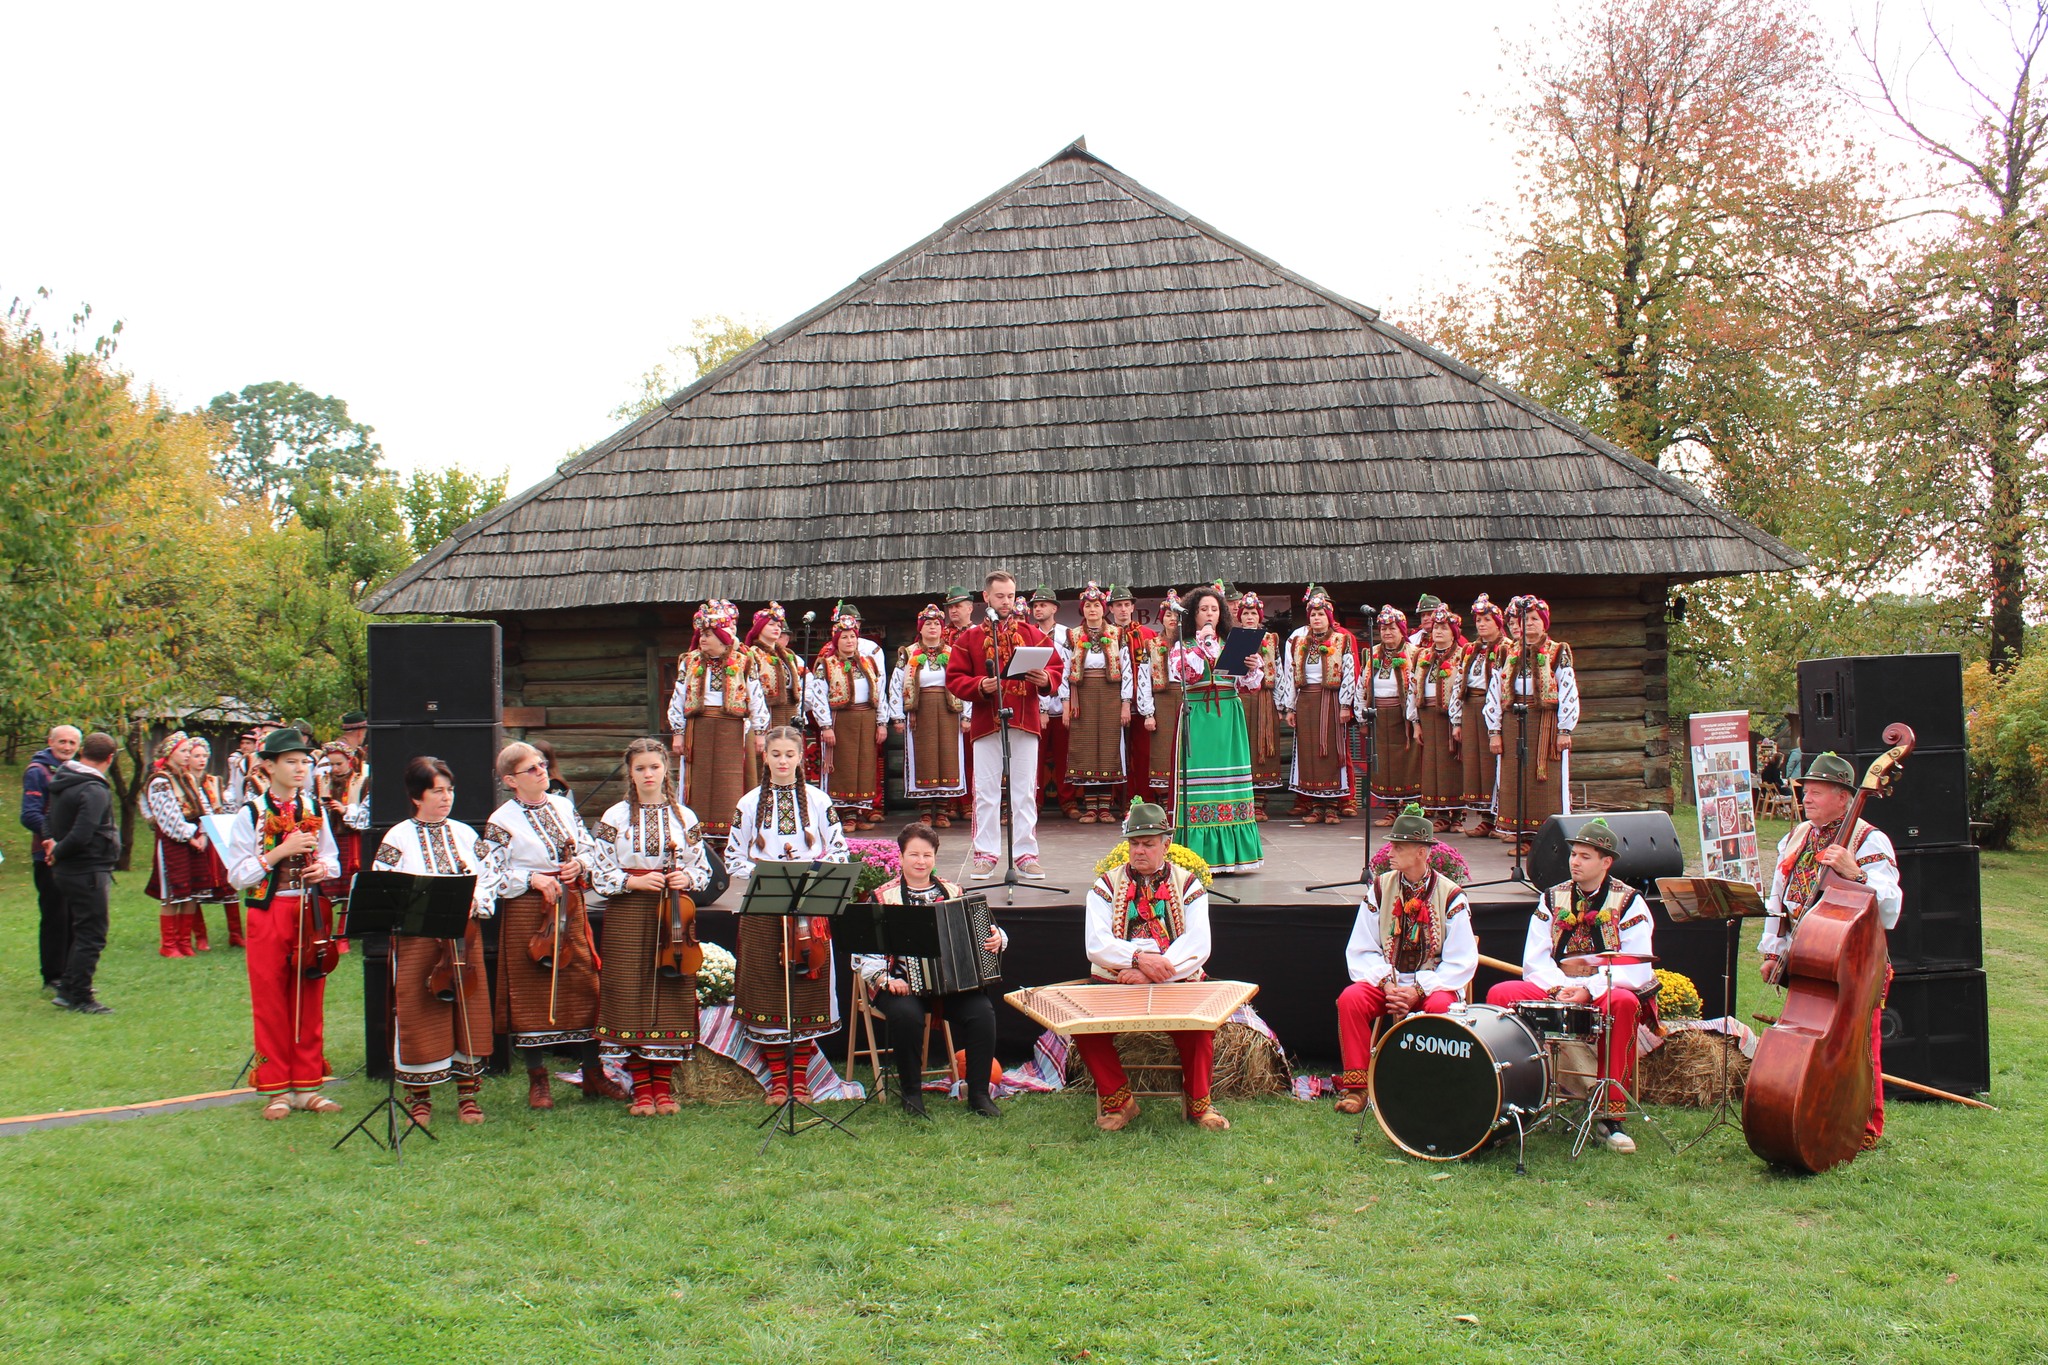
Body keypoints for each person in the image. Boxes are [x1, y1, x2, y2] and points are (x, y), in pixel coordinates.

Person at [1757, 751, 1902, 1151]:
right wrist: (1773, 950)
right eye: (1806, 791)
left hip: (1856, 958)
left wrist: (1856, 872)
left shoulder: (1869, 839)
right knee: (1812, 1039)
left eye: (1817, 792)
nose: (1807, 798)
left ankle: (1867, 1125)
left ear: (1843, 797)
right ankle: (1815, 1110)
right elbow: (1780, 897)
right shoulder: (1798, 835)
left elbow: (1890, 907)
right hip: (1810, 954)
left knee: (1859, 1044)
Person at [1486, 817, 1652, 1153]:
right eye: (1573, 854)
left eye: (1585, 856)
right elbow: (1535, 959)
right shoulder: (1552, 897)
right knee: (1501, 994)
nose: (1575, 862)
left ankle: (1609, 1116)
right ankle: (1510, 1100)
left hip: (1604, 987)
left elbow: (1637, 967)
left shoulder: (1630, 901)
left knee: (1623, 1003)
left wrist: (1589, 990)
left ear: (1606, 862)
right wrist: (1558, 989)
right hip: (1557, 985)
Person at [481, 741, 622, 1111]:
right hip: (528, 910)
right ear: (511, 780)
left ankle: (593, 1073)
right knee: (531, 991)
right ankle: (538, 1079)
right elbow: (491, 873)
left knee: (584, 984)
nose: (542, 771)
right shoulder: (500, 821)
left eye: (542, 764)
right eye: (532, 768)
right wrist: (531, 879)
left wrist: (580, 864)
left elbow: (588, 848)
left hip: (569, 904)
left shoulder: (563, 806)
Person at [1076, 800, 1228, 1131]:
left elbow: (1198, 944)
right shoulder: (1106, 885)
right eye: (1134, 844)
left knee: (1199, 1029)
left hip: (1174, 982)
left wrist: (1151, 973)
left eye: (1147, 844)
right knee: (1085, 1030)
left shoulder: (1189, 884)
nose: (1139, 851)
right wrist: (1137, 959)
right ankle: (1120, 1103)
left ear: (1166, 845)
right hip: (1118, 982)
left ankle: (1200, 1106)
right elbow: (1096, 943)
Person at [723, 726, 850, 1104]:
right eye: (775, 754)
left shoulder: (819, 800)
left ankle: (800, 1079)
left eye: (789, 755)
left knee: (807, 993)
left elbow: (840, 850)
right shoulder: (748, 803)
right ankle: (779, 1081)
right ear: (765, 757)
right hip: (765, 907)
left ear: (800, 758)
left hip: (808, 909)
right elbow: (733, 858)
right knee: (767, 992)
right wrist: (767, 874)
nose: (782, 761)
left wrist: (810, 873)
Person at [590, 738, 713, 1117]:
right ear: (630, 773)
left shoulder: (685, 817)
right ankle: (642, 1090)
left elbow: (703, 869)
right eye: (640, 768)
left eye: (654, 767)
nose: (648, 774)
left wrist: (686, 877)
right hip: (629, 912)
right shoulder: (614, 817)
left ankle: (663, 1087)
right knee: (630, 991)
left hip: (674, 915)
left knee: (671, 993)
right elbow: (599, 870)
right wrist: (633, 881)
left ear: (665, 770)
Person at [222, 728, 343, 1113]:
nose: (300, 768)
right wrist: (278, 853)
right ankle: (277, 1088)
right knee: (271, 998)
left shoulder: (315, 809)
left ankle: (307, 1086)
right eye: (290, 761)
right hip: (268, 911)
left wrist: (322, 869)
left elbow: (333, 858)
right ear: (269, 766)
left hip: (309, 912)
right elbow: (237, 876)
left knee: (310, 994)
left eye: (304, 761)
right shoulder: (250, 814)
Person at [371, 755, 495, 1127]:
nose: (446, 798)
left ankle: (467, 1096)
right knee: (418, 1012)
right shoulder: (397, 837)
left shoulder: (466, 834)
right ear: (416, 796)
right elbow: (384, 884)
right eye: (437, 791)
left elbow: (490, 875)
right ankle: (419, 1099)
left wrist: (476, 900)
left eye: (450, 790)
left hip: (464, 937)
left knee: (468, 1010)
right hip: (419, 940)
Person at [854, 822, 1007, 1118]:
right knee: (907, 1015)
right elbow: (864, 952)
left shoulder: (953, 891)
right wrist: (885, 979)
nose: (921, 861)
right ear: (900, 857)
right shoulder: (883, 897)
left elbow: (985, 929)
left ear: (935, 857)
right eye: (914, 855)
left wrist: (998, 938)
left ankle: (979, 1094)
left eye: (927, 855)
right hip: (900, 984)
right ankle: (912, 1094)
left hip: (948, 986)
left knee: (982, 1011)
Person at [1331, 804, 1478, 1113]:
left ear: (1421, 852)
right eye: (1391, 845)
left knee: (1441, 1008)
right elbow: (1362, 947)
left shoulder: (1452, 896)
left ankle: (1431, 1084)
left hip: (1432, 985)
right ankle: (1358, 1088)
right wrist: (1387, 984)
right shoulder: (1380, 888)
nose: (1390, 852)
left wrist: (1418, 990)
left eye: (1399, 846)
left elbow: (1461, 960)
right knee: (1351, 999)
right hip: (1389, 982)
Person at [944, 571, 1064, 880]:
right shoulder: (969, 639)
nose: (1006, 601)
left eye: (1010, 595)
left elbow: (1056, 667)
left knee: (1024, 791)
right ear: (986, 597)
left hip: (1025, 721)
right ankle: (985, 855)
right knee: (986, 791)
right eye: (1000, 596)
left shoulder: (1032, 633)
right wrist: (980, 685)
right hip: (986, 723)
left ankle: (1026, 854)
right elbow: (954, 678)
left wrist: (1045, 679)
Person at [1166, 585, 1262, 873]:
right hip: (1198, 716)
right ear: (1193, 614)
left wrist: (1251, 666)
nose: (1209, 614)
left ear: (1222, 614)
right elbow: (1186, 674)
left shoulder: (1232, 643)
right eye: (1203, 609)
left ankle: (1233, 855)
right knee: (1199, 783)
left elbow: (1249, 685)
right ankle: (1197, 854)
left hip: (1228, 716)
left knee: (1230, 783)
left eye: (1214, 609)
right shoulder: (1183, 645)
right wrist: (1204, 644)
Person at [668, 599, 769, 838]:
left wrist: (760, 732)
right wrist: (678, 733)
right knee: (699, 780)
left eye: (708, 634)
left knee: (729, 780)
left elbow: (756, 697)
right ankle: (698, 834)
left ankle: (729, 835)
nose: (702, 639)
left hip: (731, 728)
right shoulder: (690, 661)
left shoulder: (744, 660)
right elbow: (678, 697)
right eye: (701, 634)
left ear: (722, 637)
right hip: (698, 727)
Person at [1485, 596, 1579, 847]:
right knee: (1513, 776)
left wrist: (1564, 729)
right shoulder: (1506, 652)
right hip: (1513, 721)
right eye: (1524, 619)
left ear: (1544, 623)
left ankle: (1544, 838)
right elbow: (1494, 692)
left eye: (1535, 619)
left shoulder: (1558, 651)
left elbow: (1568, 690)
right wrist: (1494, 731)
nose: (1529, 624)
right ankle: (1521, 834)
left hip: (1545, 723)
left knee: (1545, 779)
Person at [44, 731, 123, 1015]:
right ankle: (78, 995)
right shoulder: (94, 789)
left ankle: (68, 986)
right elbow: (82, 834)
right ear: (110, 758)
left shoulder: (64, 779)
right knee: (93, 933)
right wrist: (58, 851)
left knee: (82, 929)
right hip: (87, 869)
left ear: (82, 751)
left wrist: (52, 843)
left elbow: (47, 817)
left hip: (71, 869)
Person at [142, 732, 239, 956]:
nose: (188, 755)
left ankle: (184, 942)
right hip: (173, 841)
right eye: (184, 751)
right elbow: (168, 817)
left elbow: (203, 807)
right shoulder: (160, 781)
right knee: (173, 893)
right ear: (170, 753)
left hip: (195, 840)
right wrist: (190, 836)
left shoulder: (187, 778)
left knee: (192, 892)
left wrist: (203, 833)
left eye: (189, 751)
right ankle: (169, 944)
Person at [1275, 585, 1356, 823]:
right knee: (1309, 752)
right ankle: (1316, 806)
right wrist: (1290, 708)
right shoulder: (1299, 641)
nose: (1316, 618)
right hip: (1306, 702)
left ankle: (1332, 806)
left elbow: (1349, 673)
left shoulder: (1341, 640)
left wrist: (1345, 705)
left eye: (1321, 614)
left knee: (1330, 751)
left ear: (1329, 617)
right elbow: (1291, 675)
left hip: (1330, 700)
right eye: (1313, 614)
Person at [1058, 581, 1133, 824]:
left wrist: (1125, 703)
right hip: (1083, 696)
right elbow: (1063, 670)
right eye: (1088, 606)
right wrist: (1066, 704)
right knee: (1086, 748)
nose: (1093, 610)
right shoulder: (1073, 635)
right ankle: (1091, 807)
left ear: (1104, 609)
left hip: (1110, 695)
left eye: (1097, 605)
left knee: (1109, 747)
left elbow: (1127, 670)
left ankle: (1105, 807)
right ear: (1083, 609)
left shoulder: (1117, 634)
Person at [890, 604, 968, 827]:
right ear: (920, 628)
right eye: (928, 624)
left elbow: (963, 682)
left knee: (947, 757)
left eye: (936, 624)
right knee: (923, 757)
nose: (932, 627)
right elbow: (896, 684)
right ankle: (925, 811)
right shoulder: (908, 653)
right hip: (920, 711)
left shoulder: (952, 652)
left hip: (948, 710)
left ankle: (942, 811)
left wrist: (967, 716)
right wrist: (897, 717)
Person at [814, 603, 889, 831]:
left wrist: (881, 722)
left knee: (864, 766)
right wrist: (826, 726)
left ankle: (858, 814)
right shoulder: (826, 665)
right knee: (843, 766)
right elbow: (818, 697)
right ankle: (844, 815)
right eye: (844, 637)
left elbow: (879, 692)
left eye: (853, 637)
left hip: (866, 719)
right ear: (836, 640)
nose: (849, 641)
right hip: (842, 721)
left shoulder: (868, 662)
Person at [23, 724, 81, 989]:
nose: (67, 747)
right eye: (62, 742)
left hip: (74, 854)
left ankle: (71, 972)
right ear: (50, 742)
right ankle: (53, 975)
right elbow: (29, 813)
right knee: (55, 915)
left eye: (72, 743)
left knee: (74, 915)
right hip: (47, 855)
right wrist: (50, 838)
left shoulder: (77, 770)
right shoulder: (38, 771)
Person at [1358, 605, 1420, 825]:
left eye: (1392, 628)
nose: (1387, 633)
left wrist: (1415, 719)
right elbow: (1362, 685)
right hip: (1378, 715)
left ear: (1402, 630)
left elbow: (1417, 686)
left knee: (1407, 762)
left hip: (1403, 716)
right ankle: (1391, 810)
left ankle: (1408, 810)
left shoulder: (1415, 653)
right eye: (1383, 629)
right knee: (1383, 763)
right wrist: (1362, 716)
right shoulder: (1372, 653)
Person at [1410, 606, 1466, 832]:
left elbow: (1463, 689)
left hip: (1450, 717)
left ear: (1453, 632)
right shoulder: (1422, 655)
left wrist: (1458, 721)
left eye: (1444, 628)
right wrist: (1415, 724)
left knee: (1453, 763)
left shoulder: (1463, 654)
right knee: (1432, 765)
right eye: (1435, 628)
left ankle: (1457, 815)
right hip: (1427, 715)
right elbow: (1413, 689)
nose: (1438, 632)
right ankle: (1441, 813)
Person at [1028, 584, 1080, 821]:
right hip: (1036, 706)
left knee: (1065, 757)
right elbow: (1031, 672)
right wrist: (1041, 708)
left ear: (1054, 608)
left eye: (1043, 605)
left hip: (1062, 705)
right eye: (1035, 606)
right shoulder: (1029, 633)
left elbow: (1068, 670)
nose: (1038, 609)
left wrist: (1067, 704)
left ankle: (1068, 801)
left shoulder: (1067, 634)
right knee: (1034, 757)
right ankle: (1034, 802)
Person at [1459, 595, 1508, 838]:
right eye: (1478, 620)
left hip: (1495, 710)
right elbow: (1460, 683)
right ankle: (1485, 817)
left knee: (1493, 764)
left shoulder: (1507, 648)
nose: (1481, 624)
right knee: (1475, 763)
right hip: (1472, 707)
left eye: (1487, 620)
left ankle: (1500, 817)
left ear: (1498, 622)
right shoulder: (1471, 649)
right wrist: (1457, 719)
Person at [1134, 590, 1187, 808]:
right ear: (1161, 619)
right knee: (1163, 750)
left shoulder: (1191, 644)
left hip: (1187, 699)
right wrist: (1148, 713)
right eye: (1168, 615)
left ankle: (1185, 799)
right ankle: (1166, 801)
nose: (1172, 619)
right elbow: (1144, 679)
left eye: (1176, 615)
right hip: (1162, 701)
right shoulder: (1152, 645)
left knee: (1188, 748)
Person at [1234, 593, 1284, 821]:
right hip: (1240, 698)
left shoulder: (1271, 640)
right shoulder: (1233, 638)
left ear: (1259, 616)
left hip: (1264, 698)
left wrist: (1281, 705)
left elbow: (1279, 672)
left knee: (1262, 747)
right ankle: (1241, 801)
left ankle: (1260, 803)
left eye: (1253, 613)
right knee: (1241, 747)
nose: (1249, 617)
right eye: (1245, 613)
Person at [1108, 585, 1156, 808]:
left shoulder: (1147, 635)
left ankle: (1146, 800)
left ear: (1133, 607)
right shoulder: (1107, 635)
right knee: (1117, 754)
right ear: (1111, 609)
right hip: (1112, 705)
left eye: (1127, 605)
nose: (1123, 609)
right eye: (1118, 605)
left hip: (1143, 705)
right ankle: (1122, 800)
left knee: (1144, 754)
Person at [315, 739, 371, 917]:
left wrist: (345, 810)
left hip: (350, 837)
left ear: (350, 761)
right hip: (327, 836)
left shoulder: (361, 781)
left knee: (349, 883)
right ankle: (323, 923)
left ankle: (344, 927)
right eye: (331, 764)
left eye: (339, 764)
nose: (335, 768)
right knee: (324, 884)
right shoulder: (322, 781)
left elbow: (367, 813)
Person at [745, 602, 815, 736]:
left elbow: (798, 688)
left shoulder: (788, 656)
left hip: (790, 710)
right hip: (767, 711)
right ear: (759, 627)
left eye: (778, 625)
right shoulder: (752, 654)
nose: (777, 628)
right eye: (771, 624)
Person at [224, 729, 260, 809]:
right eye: (242, 743)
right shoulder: (235, 757)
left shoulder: (259, 759)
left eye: (248, 743)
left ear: (255, 745)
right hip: (236, 792)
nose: (244, 746)